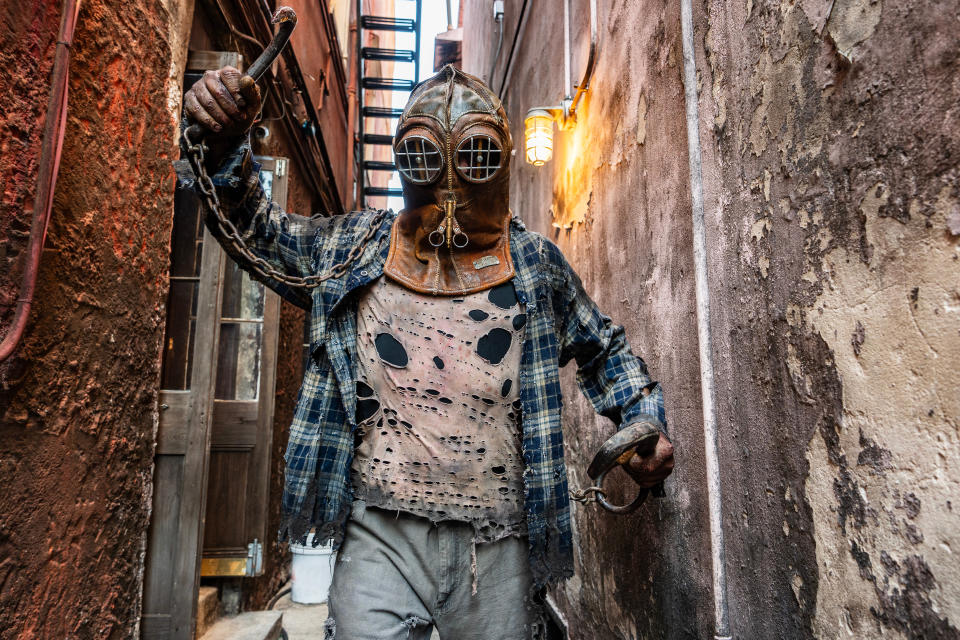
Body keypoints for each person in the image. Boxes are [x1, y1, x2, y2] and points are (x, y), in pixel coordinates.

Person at [181, 64, 674, 640]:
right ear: (405, 157)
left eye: (475, 153)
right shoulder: (354, 247)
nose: (449, 177)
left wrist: (642, 417)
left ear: (500, 158)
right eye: (425, 153)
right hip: (378, 530)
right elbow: (254, 230)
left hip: (499, 537)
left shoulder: (535, 265)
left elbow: (602, 346)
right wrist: (223, 143)